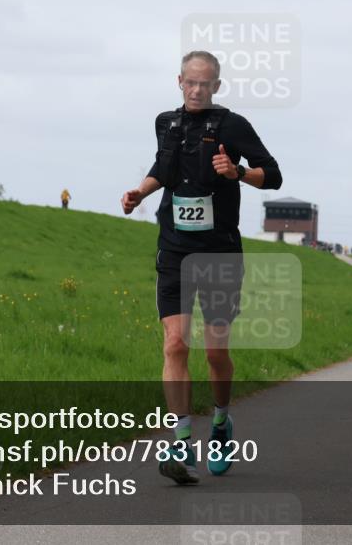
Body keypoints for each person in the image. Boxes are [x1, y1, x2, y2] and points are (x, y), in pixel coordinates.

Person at [121, 51, 282, 484]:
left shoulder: (233, 126)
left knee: (215, 353)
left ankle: (222, 422)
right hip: (173, 248)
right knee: (175, 344)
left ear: (217, 86)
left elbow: (275, 174)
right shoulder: (165, 123)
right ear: (179, 81)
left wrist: (238, 172)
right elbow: (164, 167)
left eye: (205, 84)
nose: (196, 90)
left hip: (219, 251)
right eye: (190, 83)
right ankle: (180, 442)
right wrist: (141, 192)